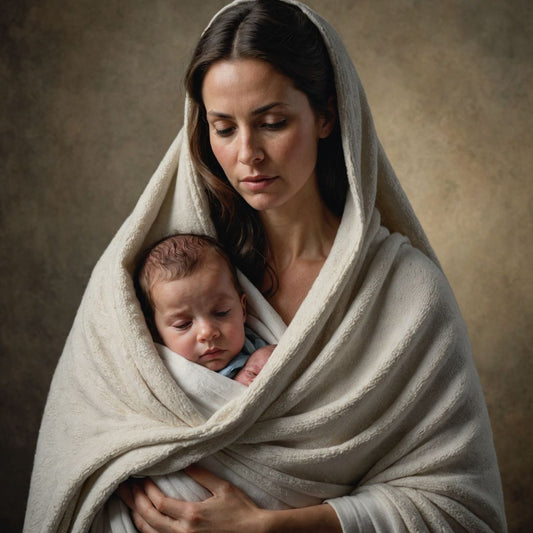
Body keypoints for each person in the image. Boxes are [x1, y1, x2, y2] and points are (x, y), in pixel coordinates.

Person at [24, 1, 506, 532]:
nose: (247, 153)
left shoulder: (407, 294)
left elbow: (461, 513)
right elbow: (78, 455)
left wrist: (269, 527)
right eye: (223, 128)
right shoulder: (162, 278)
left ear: (326, 115)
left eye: (272, 122)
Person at [136, 233, 275, 385]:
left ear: (243, 309)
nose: (207, 332)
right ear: (156, 332)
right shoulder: (168, 376)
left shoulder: (256, 347)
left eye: (221, 313)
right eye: (183, 324)